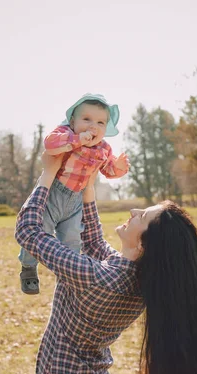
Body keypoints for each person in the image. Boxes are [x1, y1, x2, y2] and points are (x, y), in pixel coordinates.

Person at [15, 153, 197, 374]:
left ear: (145, 245)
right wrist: (88, 187)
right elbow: (93, 242)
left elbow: (28, 232)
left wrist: (47, 175)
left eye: (143, 216)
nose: (134, 210)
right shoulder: (139, 281)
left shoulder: (95, 277)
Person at [18, 93, 129, 295]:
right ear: (72, 121)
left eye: (100, 122)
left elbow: (109, 170)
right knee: (38, 230)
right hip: (53, 194)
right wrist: (77, 140)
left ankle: (69, 280)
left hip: (76, 200)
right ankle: (28, 267)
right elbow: (50, 144)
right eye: (86, 119)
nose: (93, 126)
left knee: (72, 240)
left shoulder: (103, 149)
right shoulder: (65, 133)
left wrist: (119, 168)